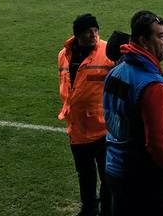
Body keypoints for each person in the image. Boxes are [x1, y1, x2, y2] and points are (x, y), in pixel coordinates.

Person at [104, 10, 163, 216]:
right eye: (161, 36)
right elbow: (159, 141)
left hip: (115, 167)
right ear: (144, 41)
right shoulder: (153, 86)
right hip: (145, 177)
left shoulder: (116, 72)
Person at [58, 14, 115, 216]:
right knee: (85, 174)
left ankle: (107, 212)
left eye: (96, 30)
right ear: (78, 34)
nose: (93, 34)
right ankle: (89, 209)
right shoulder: (63, 55)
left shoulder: (109, 52)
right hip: (77, 127)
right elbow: (66, 85)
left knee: (108, 176)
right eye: (88, 31)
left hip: (103, 128)